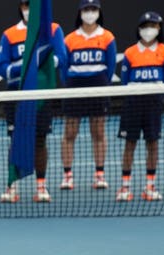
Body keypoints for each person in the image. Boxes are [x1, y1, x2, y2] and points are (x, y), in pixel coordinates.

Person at [0, 0, 67, 202]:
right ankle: (12, 186)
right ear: (21, 8)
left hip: (42, 95)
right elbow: (2, 68)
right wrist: (26, 69)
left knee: (40, 140)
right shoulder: (9, 34)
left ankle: (41, 186)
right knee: (15, 139)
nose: (29, 9)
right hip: (17, 95)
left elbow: (61, 59)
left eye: (31, 5)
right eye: (25, 6)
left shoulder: (52, 30)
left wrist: (39, 65)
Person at [60, 0, 116, 191]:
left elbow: (110, 67)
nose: (90, 13)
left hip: (98, 87)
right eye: (86, 9)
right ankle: (67, 175)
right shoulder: (69, 39)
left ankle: (99, 174)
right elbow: (64, 67)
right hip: (75, 87)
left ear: (99, 12)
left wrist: (102, 84)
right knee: (70, 132)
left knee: (99, 132)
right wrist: (70, 85)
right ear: (80, 12)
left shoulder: (107, 37)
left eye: (93, 9)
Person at [116, 11, 164, 201]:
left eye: (153, 26)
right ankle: (125, 187)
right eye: (146, 26)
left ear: (159, 28)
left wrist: (159, 98)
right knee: (130, 144)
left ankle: (150, 186)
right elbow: (124, 82)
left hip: (154, 104)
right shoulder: (130, 52)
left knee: (153, 144)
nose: (149, 30)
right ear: (139, 29)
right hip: (133, 104)